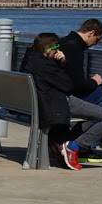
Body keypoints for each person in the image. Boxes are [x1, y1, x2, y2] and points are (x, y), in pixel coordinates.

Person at [53, 18, 102, 165]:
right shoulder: (74, 48)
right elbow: (77, 87)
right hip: (62, 101)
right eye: (97, 39)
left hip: (50, 97)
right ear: (91, 33)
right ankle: (84, 146)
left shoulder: (63, 42)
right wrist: (94, 82)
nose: (95, 44)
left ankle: (95, 140)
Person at [22, 33, 87, 169]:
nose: (58, 52)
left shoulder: (31, 60)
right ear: (48, 50)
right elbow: (68, 85)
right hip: (49, 108)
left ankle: (59, 141)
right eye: (56, 49)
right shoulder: (46, 65)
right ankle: (67, 144)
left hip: (29, 106)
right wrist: (63, 63)